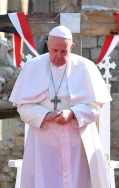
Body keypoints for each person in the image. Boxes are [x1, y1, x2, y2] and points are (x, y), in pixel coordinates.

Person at [9, 25, 112, 188]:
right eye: (54, 50)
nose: (58, 56)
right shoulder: (32, 67)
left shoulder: (85, 67)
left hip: (78, 143)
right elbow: (23, 108)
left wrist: (73, 113)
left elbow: (96, 108)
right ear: (48, 45)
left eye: (63, 51)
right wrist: (44, 115)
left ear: (71, 47)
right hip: (44, 143)